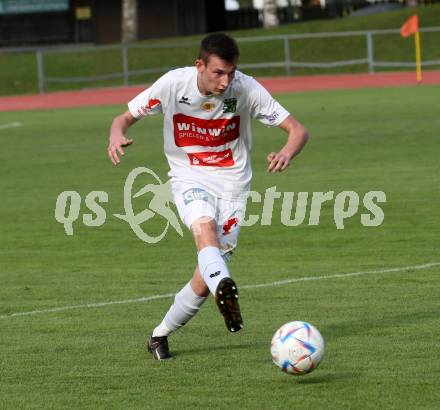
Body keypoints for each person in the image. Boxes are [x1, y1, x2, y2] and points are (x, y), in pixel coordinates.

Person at [108, 33, 308, 360]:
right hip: (189, 177)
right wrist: (117, 135)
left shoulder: (246, 88)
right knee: (206, 233)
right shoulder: (173, 84)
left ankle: (160, 334)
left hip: (233, 186)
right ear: (199, 65)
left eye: (231, 72)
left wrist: (287, 152)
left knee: (205, 277)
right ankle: (226, 291)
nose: (225, 80)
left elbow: (298, 130)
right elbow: (123, 118)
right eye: (218, 73)